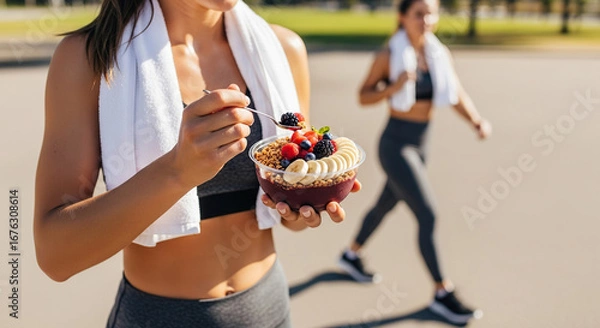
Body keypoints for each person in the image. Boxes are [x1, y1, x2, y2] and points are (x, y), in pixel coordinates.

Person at [34, 0, 359, 327]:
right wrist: (177, 171)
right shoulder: (89, 58)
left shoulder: (282, 50)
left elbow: (289, 217)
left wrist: (308, 205)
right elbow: (56, 255)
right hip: (159, 317)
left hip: (269, 309)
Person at [336, 0, 491, 324]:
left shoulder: (437, 54)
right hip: (395, 145)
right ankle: (441, 292)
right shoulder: (388, 55)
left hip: (422, 144)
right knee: (428, 214)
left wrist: (476, 120)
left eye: (431, 13)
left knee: (385, 205)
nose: (426, 20)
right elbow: (363, 95)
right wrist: (393, 87)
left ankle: (351, 254)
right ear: (402, 17)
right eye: (419, 13)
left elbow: (456, 93)